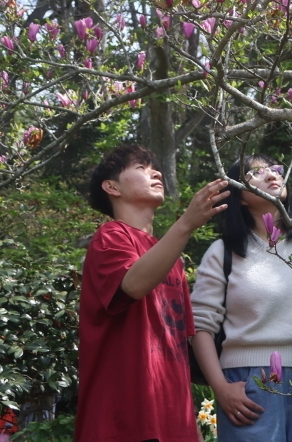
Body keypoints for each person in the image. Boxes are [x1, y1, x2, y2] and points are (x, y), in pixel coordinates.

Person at [75, 144, 230, 442]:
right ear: (112, 187)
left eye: (154, 167)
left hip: (173, 422)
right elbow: (132, 285)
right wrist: (186, 223)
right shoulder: (110, 237)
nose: (156, 172)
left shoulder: (172, 258)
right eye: (141, 168)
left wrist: (191, 426)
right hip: (123, 422)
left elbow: (176, 346)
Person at [190, 154, 292, 442]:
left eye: (276, 169)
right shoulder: (223, 253)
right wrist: (220, 387)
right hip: (248, 384)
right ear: (240, 198)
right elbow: (201, 325)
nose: (272, 174)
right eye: (256, 172)